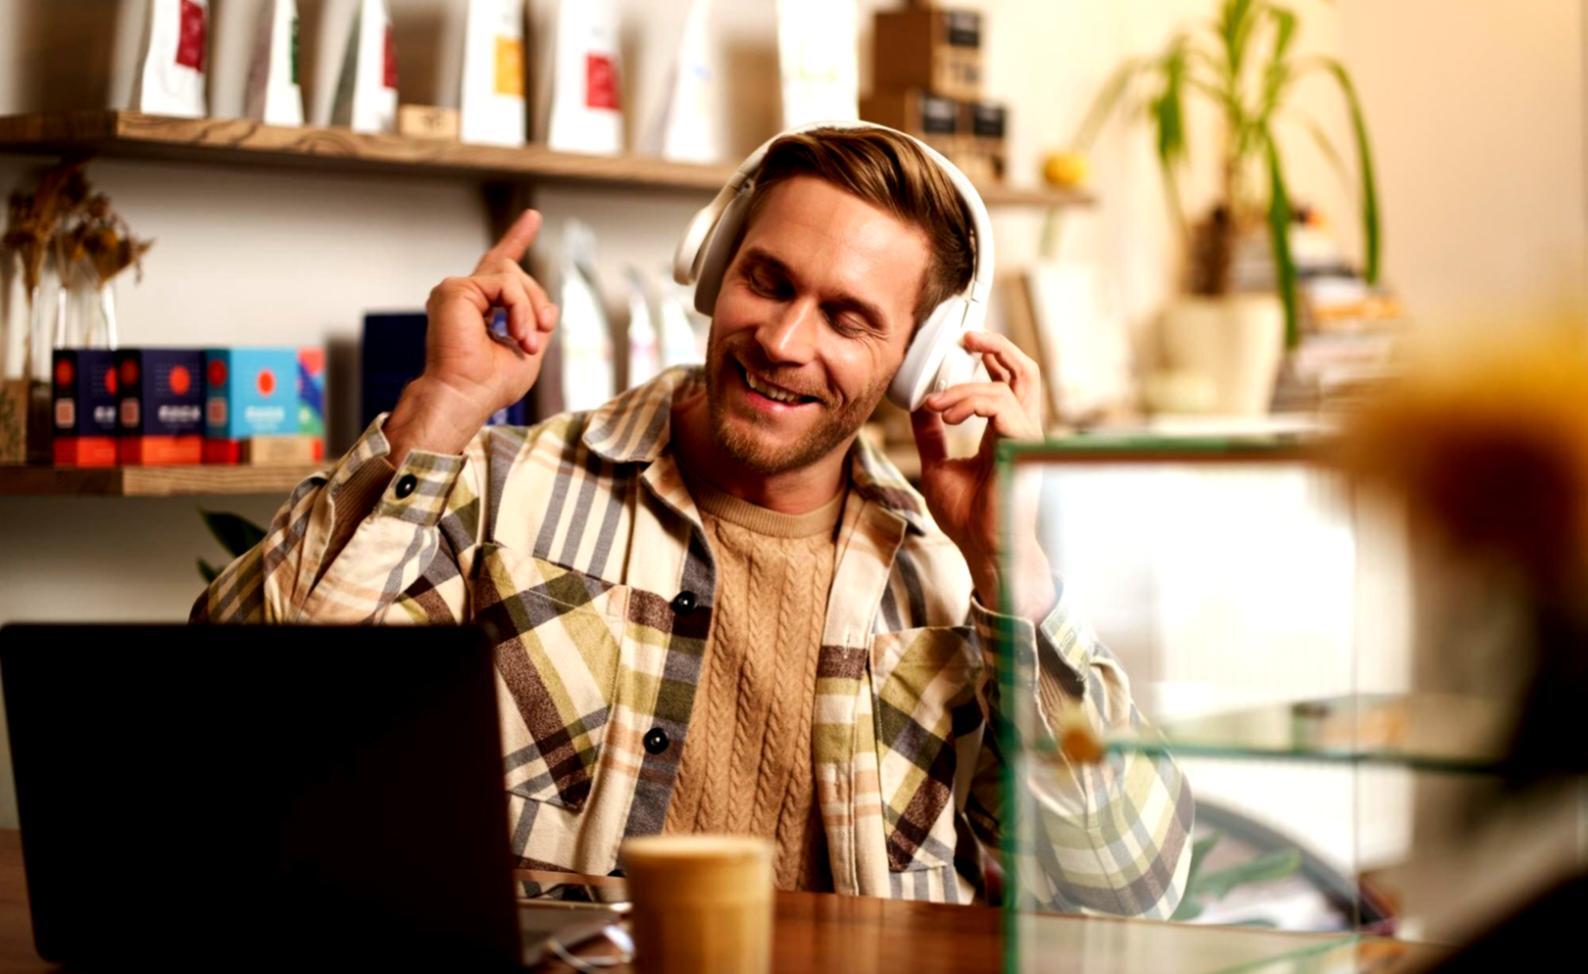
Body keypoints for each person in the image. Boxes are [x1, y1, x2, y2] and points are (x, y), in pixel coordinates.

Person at [193, 125, 1191, 916]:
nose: (785, 341)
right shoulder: (500, 490)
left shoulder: (945, 584)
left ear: (916, 362)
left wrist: (1009, 571)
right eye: (768, 281)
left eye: (848, 318)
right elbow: (241, 725)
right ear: (716, 268)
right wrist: (439, 409)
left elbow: (1127, 883)